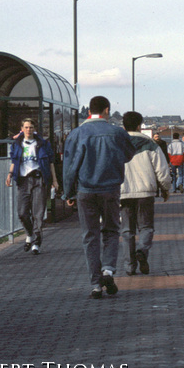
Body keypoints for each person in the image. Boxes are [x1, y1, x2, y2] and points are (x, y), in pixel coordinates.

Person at [62, 96, 135, 299]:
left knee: (89, 236)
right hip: (111, 189)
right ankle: (108, 270)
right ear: (106, 110)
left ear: (89, 112)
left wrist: (68, 192)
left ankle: (95, 284)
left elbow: (69, 167)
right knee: (111, 231)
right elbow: (129, 154)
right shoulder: (117, 132)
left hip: (85, 191)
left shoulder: (77, 134)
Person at [120, 111, 171, 275]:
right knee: (146, 227)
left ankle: (129, 266)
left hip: (123, 193)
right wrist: (165, 188)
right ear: (139, 126)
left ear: (123, 125)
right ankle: (141, 251)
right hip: (146, 192)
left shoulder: (117, 143)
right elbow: (162, 170)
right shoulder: (150, 144)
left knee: (127, 230)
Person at [5, 118, 58, 255]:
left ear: (35, 129)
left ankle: (37, 241)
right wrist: (10, 174)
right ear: (22, 129)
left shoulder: (42, 144)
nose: (29, 130)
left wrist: (54, 180)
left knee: (38, 213)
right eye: (26, 127)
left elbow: (51, 163)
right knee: (22, 212)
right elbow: (14, 161)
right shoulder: (17, 144)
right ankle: (29, 234)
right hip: (23, 180)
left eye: (31, 127)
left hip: (39, 179)